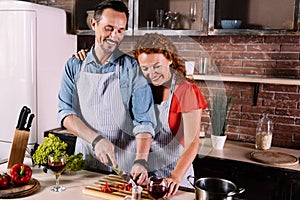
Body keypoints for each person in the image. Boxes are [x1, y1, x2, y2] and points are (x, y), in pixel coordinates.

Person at [75, 33, 208, 196]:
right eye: (145, 68)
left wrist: (175, 177)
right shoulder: (140, 87)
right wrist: (87, 57)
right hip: (144, 176)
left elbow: (192, 143)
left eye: (157, 66)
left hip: (172, 178)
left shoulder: (185, 90)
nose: (152, 74)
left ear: (170, 59)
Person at [57, 0, 156, 185]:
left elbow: (144, 122)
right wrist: (96, 140)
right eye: (109, 28)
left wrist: (141, 160)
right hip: (85, 163)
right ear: (93, 24)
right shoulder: (74, 66)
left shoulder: (133, 69)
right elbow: (65, 113)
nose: (114, 36)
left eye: (120, 30)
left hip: (123, 166)